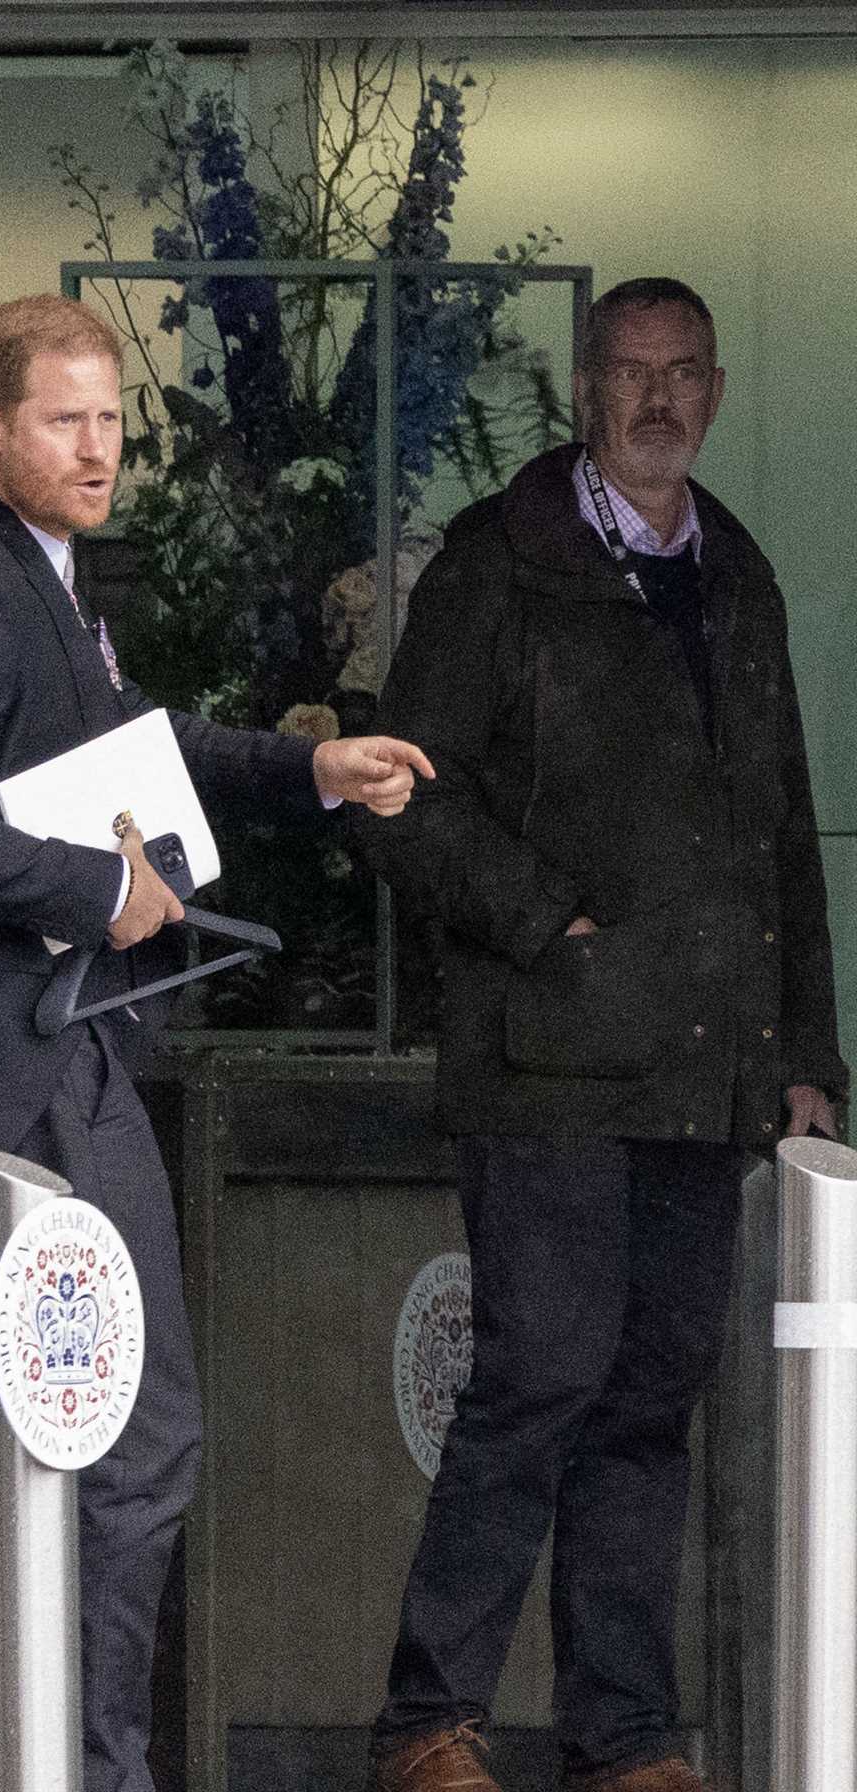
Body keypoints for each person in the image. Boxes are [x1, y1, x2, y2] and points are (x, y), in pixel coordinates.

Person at [0, 292, 434, 1792]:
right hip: (23, 1070)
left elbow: (137, 755)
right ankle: (12, 1754)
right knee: (116, 1431)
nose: (102, 447)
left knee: (58, 1426)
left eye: (113, 419)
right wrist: (99, 887)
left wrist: (305, 765)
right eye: (66, 419)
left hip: (55, 1056)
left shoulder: (37, 571)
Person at [355, 278, 847, 1792]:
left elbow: (780, 842)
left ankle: (623, 1732)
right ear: (584, 389)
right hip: (549, 1064)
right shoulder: (500, 568)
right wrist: (540, 913)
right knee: (538, 1384)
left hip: (701, 1073)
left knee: (649, 1403)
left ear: (714, 389)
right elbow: (398, 794)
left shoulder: (738, 571)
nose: (656, 400)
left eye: (683, 373)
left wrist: (810, 1055)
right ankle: (430, 1724)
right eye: (629, 373)